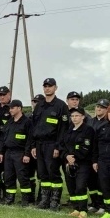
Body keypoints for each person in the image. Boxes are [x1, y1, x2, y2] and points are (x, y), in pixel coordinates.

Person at [30, 77, 69, 210]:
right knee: (42, 173)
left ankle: (55, 201)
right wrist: (33, 145)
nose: (47, 88)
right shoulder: (39, 105)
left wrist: (58, 147)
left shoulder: (61, 106)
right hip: (39, 144)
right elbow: (34, 126)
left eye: (50, 86)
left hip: (52, 144)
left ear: (55, 88)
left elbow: (63, 129)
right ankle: (45, 200)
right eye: (45, 86)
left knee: (53, 172)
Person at [0, 99, 32, 206]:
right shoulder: (9, 122)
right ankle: (10, 198)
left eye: (12, 108)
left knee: (22, 177)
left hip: (20, 153)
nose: (10, 110)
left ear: (19, 108)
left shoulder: (27, 122)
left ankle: (26, 199)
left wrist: (27, 154)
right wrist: (0, 152)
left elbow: (30, 140)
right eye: (10, 108)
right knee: (8, 176)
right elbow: (3, 138)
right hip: (8, 153)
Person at [61, 107, 95, 218]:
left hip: (82, 163)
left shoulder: (88, 130)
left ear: (83, 117)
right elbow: (63, 146)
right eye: (72, 116)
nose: (74, 118)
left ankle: (83, 210)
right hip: (69, 163)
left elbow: (86, 147)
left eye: (77, 116)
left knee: (80, 186)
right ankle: (76, 208)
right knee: (71, 186)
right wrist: (66, 156)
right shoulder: (69, 130)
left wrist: (74, 156)